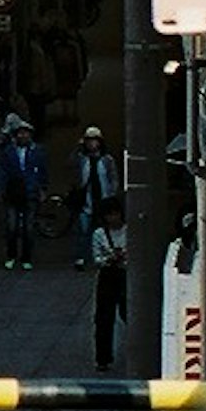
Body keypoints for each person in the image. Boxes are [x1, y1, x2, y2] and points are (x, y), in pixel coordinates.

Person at [0, 115, 46, 269]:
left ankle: (26, 257)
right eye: (20, 133)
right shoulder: (8, 152)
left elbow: (42, 172)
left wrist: (42, 188)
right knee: (11, 226)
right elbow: (1, 171)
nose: (23, 136)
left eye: (25, 133)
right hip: (12, 192)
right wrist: (0, 189)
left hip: (30, 192)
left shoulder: (37, 151)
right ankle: (12, 255)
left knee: (28, 228)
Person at [86, 198, 131, 371]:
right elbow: (97, 258)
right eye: (109, 215)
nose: (113, 218)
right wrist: (109, 258)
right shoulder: (99, 234)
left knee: (129, 313)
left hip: (124, 274)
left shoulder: (129, 231)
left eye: (115, 213)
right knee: (103, 318)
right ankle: (102, 358)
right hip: (107, 275)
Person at [70, 127, 121, 270]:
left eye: (95, 141)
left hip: (103, 198)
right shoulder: (81, 159)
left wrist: (112, 194)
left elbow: (113, 177)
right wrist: (77, 147)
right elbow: (71, 164)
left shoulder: (107, 160)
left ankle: (103, 256)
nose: (92, 144)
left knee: (103, 229)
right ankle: (81, 257)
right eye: (89, 141)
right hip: (86, 200)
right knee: (84, 230)